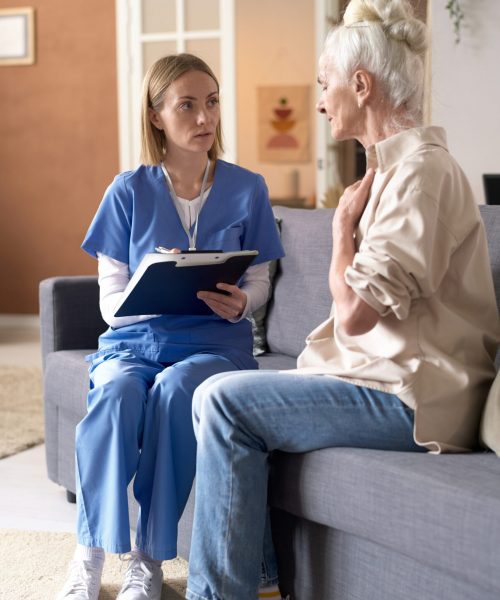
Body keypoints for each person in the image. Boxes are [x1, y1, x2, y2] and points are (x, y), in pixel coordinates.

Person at [184, 1, 500, 599]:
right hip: (378, 380)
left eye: (326, 84)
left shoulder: (423, 174)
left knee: (223, 402)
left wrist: (338, 237)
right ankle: (262, 582)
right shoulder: (389, 172)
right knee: (211, 395)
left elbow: (356, 313)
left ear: (362, 84)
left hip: (413, 397)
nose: (322, 100)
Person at [56, 53, 284, 600]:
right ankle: (87, 555)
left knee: (178, 392)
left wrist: (243, 303)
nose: (205, 118)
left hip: (213, 344)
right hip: (136, 341)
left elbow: (260, 280)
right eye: (187, 105)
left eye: (211, 102)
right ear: (157, 115)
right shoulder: (128, 190)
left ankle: (148, 561)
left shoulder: (247, 187)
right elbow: (109, 299)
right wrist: (155, 280)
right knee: (114, 397)